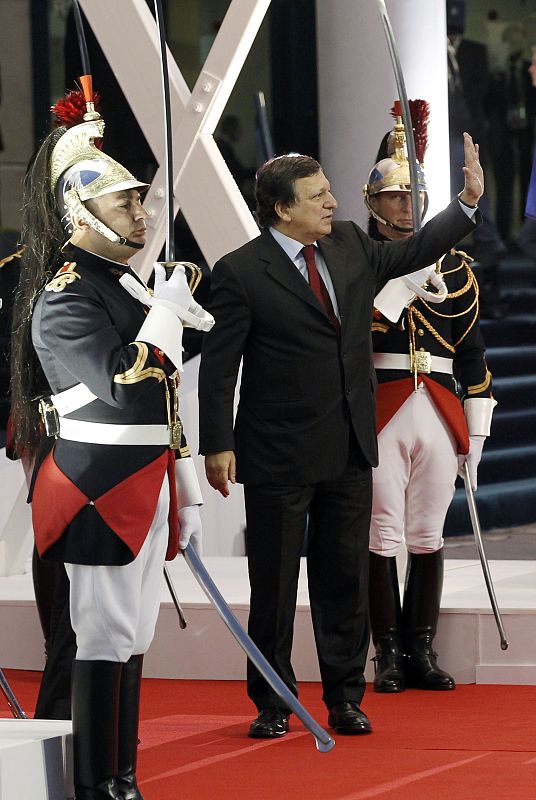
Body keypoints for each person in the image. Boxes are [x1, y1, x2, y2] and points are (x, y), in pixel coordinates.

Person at [197, 133, 484, 738]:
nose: (333, 202)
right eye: (318, 194)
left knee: (344, 581)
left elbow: (416, 250)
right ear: (282, 208)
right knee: (272, 587)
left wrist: (465, 204)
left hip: (350, 446)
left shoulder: (351, 244)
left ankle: (345, 696)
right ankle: (273, 701)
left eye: (329, 191)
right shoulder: (241, 272)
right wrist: (217, 443)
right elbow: (221, 368)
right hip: (277, 452)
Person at [10, 84, 212, 799]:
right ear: (79, 214)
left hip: (142, 479)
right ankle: (100, 786)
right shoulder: (65, 294)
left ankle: (123, 776)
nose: (140, 210)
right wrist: (162, 317)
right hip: (95, 488)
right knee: (100, 639)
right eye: (125, 201)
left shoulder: (122, 286)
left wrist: (184, 490)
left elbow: (166, 402)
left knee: (133, 639)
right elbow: (122, 384)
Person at [364, 109, 495, 694]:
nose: (407, 206)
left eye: (415, 194)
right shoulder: (356, 261)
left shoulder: (457, 267)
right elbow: (353, 333)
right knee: (381, 531)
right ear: (372, 202)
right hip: (382, 401)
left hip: (439, 404)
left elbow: (472, 357)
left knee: (428, 531)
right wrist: (399, 285)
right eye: (394, 196)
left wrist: (478, 433)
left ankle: (420, 648)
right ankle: (386, 652)